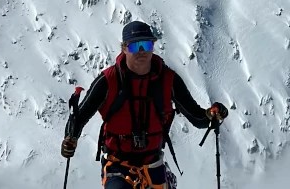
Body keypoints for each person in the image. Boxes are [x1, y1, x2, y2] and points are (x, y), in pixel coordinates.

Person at [60, 21, 228, 189]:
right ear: (124, 48)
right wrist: (70, 137)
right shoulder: (108, 81)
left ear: (153, 46)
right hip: (118, 165)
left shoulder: (168, 80)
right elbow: (79, 116)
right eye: (135, 46)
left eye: (146, 45)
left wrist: (212, 115)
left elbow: (197, 117)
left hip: (153, 163)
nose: (141, 51)